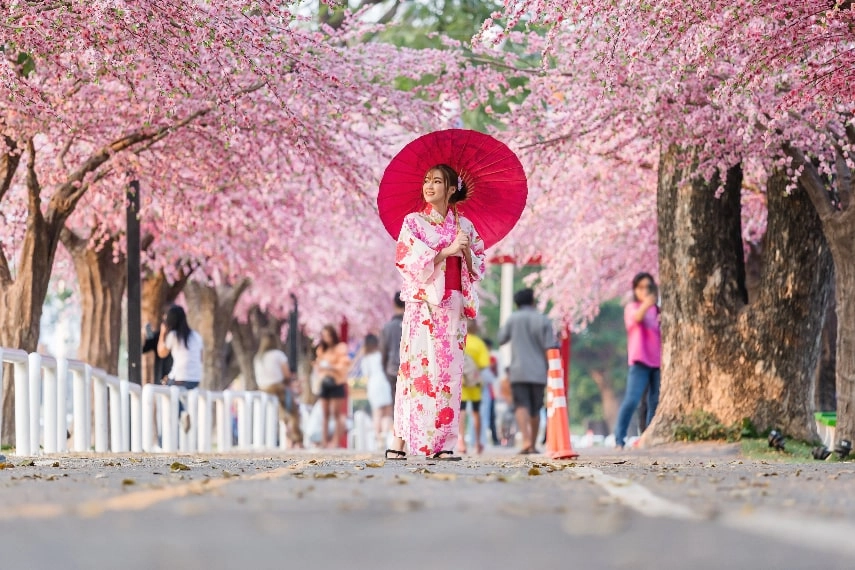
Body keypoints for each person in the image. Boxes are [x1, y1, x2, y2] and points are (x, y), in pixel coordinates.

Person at [385, 163, 486, 461]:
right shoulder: (414, 222)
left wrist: (465, 251)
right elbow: (406, 259)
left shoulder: (464, 226)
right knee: (414, 370)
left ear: (451, 188)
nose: (429, 186)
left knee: (449, 373)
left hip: (452, 304)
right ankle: (400, 440)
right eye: (427, 180)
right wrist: (445, 250)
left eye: (437, 181)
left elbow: (478, 265)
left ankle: (444, 443)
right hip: (423, 306)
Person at [497, 288, 557, 455]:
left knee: (521, 404)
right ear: (533, 301)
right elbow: (551, 345)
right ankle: (532, 444)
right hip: (538, 371)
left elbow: (501, 338)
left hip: (518, 370)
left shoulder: (512, 319)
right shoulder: (543, 320)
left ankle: (525, 440)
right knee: (535, 407)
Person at [614, 272, 662, 450]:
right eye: (641, 287)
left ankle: (647, 439)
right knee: (632, 400)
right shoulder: (632, 308)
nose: (645, 291)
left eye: (648, 287)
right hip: (639, 360)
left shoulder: (657, 311)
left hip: (658, 361)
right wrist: (647, 304)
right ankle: (619, 439)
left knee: (654, 402)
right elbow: (637, 319)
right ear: (635, 289)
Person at [156, 305, 203, 432]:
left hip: (180, 378)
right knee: (170, 385)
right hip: (195, 379)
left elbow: (161, 352)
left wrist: (162, 333)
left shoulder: (173, 336)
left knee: (165, 386)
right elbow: (200, 358)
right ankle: (182, 413)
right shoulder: (196, 336)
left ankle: (182, 413)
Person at [254, 331, 303, 448]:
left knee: (284, 411)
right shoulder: (278, 354)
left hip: (262, 388)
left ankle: (288, 435)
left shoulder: (258, 357)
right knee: (293, 412)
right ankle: (297, 439)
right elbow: (286, 375)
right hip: (276, 387)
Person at [313, 324, 350, 448]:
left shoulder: (341, 348)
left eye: (328, 335)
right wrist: (321, 369)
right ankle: (324, 441)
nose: (326, 338)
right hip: (325, 383)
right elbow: (318, 367)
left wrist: (331, 367)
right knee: (325, 414)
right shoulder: (321, 350)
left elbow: (344, 366)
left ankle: (335, 441)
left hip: (337, 382)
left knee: (336, 413)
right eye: (324, 336)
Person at [459, 320, 491, 454]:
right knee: (476, 412)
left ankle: (461, 442)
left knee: (462, 411)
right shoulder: (479, 343)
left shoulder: (460, 340)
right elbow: (485, 364)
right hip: (475, 383)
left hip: (462, 381)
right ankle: (478, 443)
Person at [360, 333, 393, 450]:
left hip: (373, 385)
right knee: (387, 412)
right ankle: (384, 433)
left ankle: (378, 438)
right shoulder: (381, 355)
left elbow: (366, 374)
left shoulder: (366, 359)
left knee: (377, 413)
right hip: (384, 382)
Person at [380, 291, 405, 418]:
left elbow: (383, 351)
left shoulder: (387, 327)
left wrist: (385, 369)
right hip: (410, 370)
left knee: (396, 406)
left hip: (392, 370)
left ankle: (399, 436)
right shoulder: (413, 325)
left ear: (394, 304)